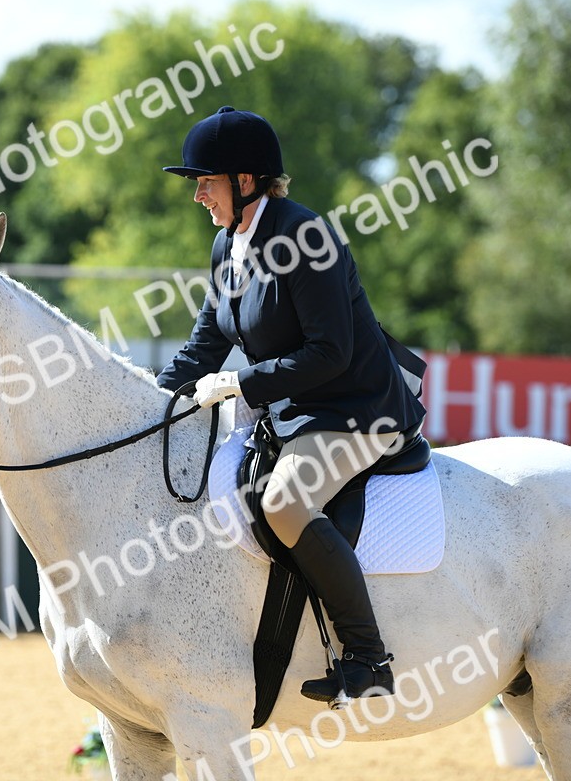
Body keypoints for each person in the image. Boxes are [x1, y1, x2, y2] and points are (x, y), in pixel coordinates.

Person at [157, 106, 426, 702]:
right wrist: (151, 402)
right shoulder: (227, 246)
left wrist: (241, 384)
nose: (198, 195)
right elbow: (205, 344)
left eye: (206, 181)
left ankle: (368, 658)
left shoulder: (307, 238)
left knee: (283, 501)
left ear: (245, 181)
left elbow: (331, 353)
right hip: (294, 413)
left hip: (358, 410)